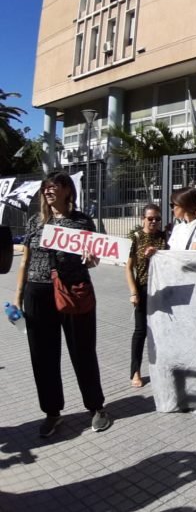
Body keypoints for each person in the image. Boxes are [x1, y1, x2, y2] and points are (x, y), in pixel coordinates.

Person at [12, 171, 111, 437]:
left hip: (74, 291)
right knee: (42, 356)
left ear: (68, 190)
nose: (47, 190)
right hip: (38, 293)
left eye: (54, 186)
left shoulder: (82, 221)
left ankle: (96, 407)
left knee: (82, 351)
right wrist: (18, 296)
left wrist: (91, 258)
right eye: (45, 187)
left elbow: (95, 261)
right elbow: (25, 260)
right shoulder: (35, 221)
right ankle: (52, 412)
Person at [125, 204, 167, 388]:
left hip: (163, 289)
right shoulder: (135, 237)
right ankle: (135, 371)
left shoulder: (163, 237)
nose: (154, 222)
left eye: (157, 219)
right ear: (143, 218)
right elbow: (128, 268)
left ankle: (163, 369)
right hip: (143, 288)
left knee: (162, 331)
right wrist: (133, 292)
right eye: (150, 219)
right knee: (141, 331)